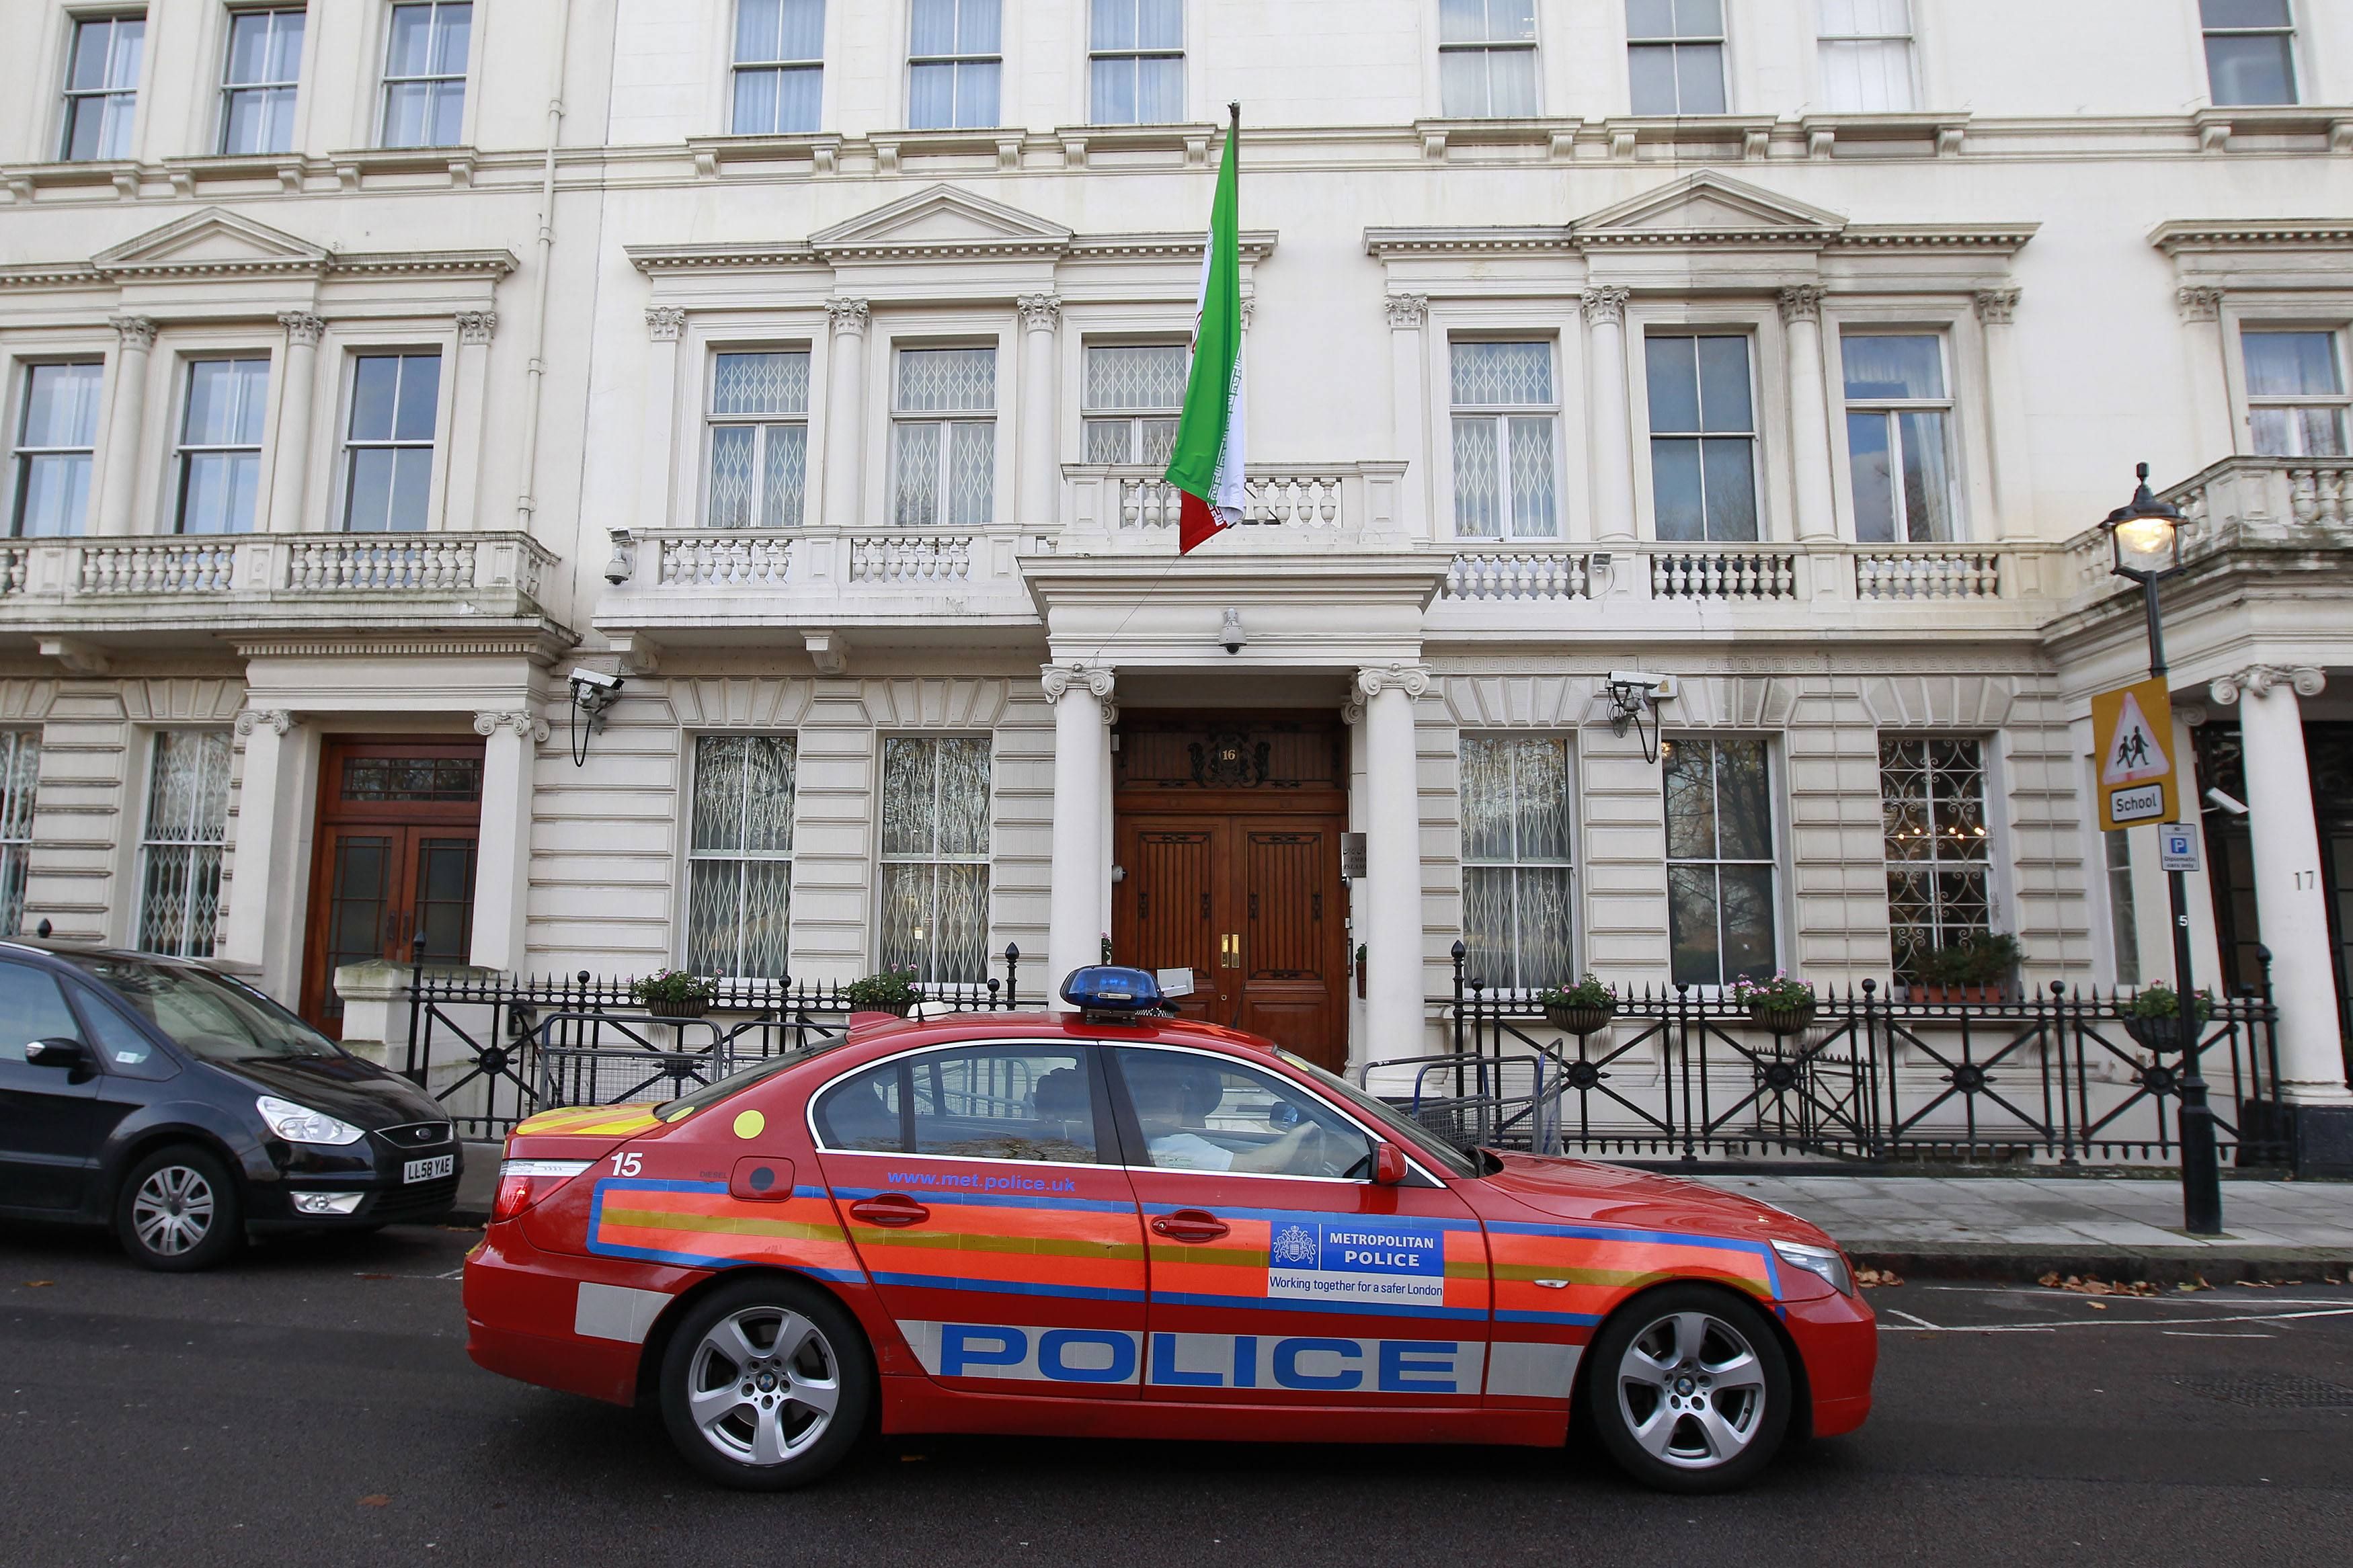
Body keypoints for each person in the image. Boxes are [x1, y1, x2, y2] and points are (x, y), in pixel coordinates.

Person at [1124, 1059, 1335, 1175]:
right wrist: (1302, 1132)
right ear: (1178, 1101)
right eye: (1183, 1089)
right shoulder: (1173, 1145)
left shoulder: (1140, 1136)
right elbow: (1259, 1166)